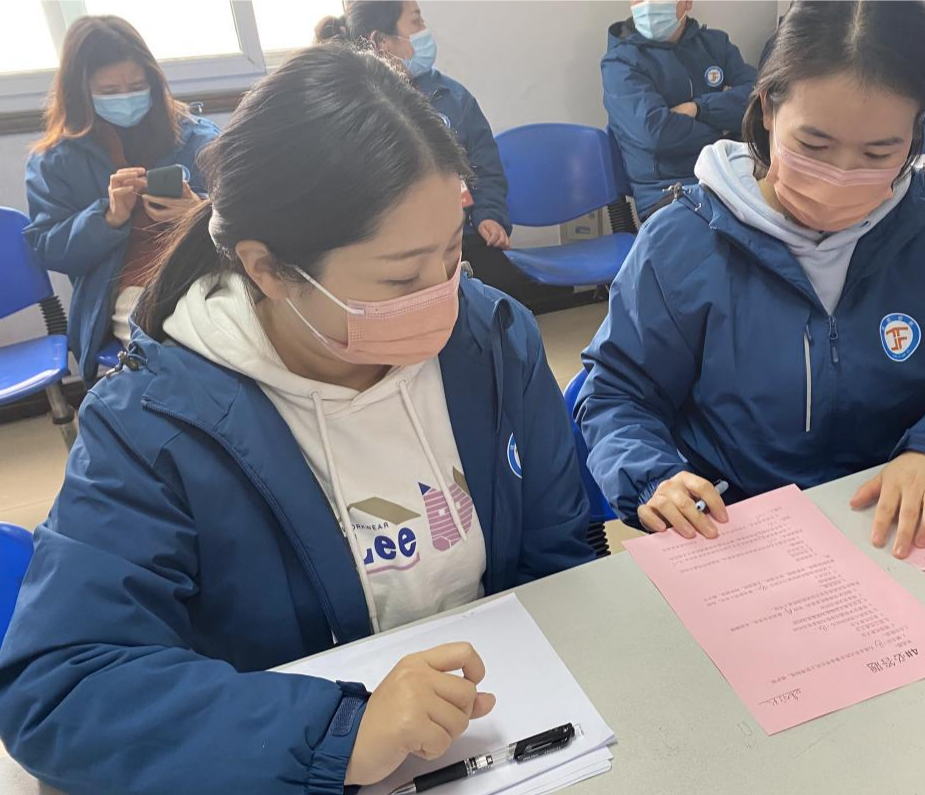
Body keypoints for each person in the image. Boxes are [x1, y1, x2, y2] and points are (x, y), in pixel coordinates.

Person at [0, 45, 594, 794]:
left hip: (513, 739)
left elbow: (557, 553)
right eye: (401, 276)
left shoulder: (493, 339)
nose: (442, 296)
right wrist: (335, 733)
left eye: (452, 254)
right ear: (268, 268)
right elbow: (62, 688)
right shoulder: (154, 424)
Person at [577, 0, 925, 560]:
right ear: (767, 109)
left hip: (891, 528)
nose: (840, 177)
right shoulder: (684, 242)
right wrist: (654, 476)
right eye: (813, 146)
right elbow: (617, 392)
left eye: (879, 152)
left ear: (915, 135)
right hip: (738, 537)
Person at [316, 1, 574, 312]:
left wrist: (489, 216)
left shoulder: (454, 98)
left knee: (503, 297)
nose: (425, 31)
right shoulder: (352, 110)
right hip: (394, 249)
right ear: (381, 40)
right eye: (416, 22)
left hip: (463, 235)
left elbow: (486, 168)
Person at [25, 15, 219, 381]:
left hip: (206, 273)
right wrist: (108, 218)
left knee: (250, 333)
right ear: (81, 92)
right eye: (110, 91)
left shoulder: (196, 135)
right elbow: (50, 250)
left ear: (153, 82)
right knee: (181, 355)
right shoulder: (54, 160)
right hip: (128, 287)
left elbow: (245, 211)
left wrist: (199, 210)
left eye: (137, 86)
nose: (126, 98)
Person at [603, 0, 759, 219]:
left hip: (735, 179)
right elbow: (657, 134)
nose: (648, 3)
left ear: (687, 2)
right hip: (671, 194)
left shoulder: (716, 44)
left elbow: (758, 102)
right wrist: (723, 127)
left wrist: (699, 108)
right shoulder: (620, 63)